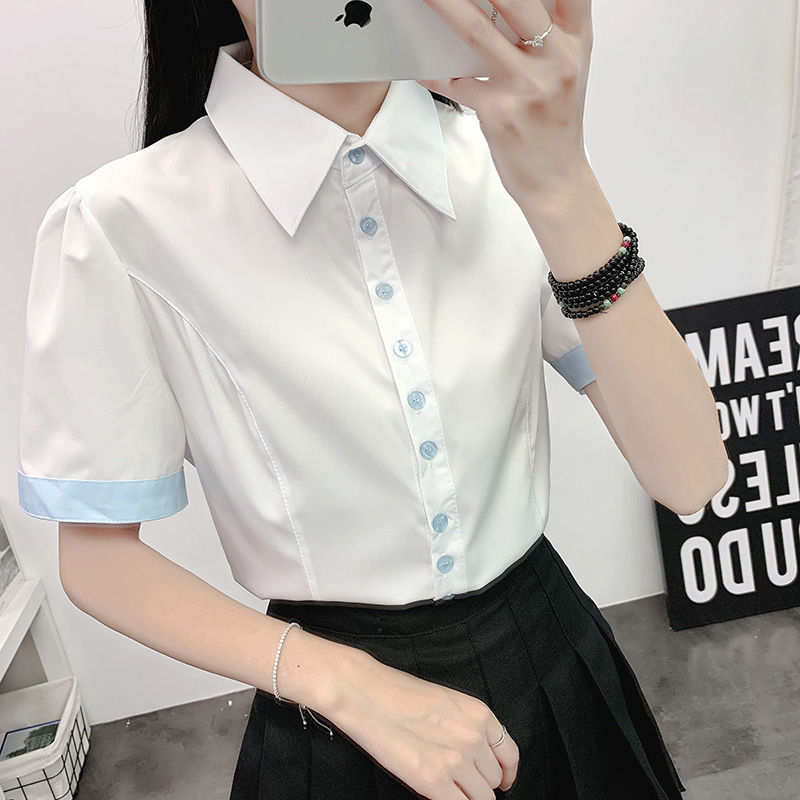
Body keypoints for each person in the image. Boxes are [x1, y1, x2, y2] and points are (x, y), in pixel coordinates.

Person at [16, 0, 728, 797]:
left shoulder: (504, 158)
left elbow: (691, 476)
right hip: (331, 719)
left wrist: (563, 185)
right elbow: (97, 557)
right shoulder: (120, 222)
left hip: (555, 663)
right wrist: (346, 684)